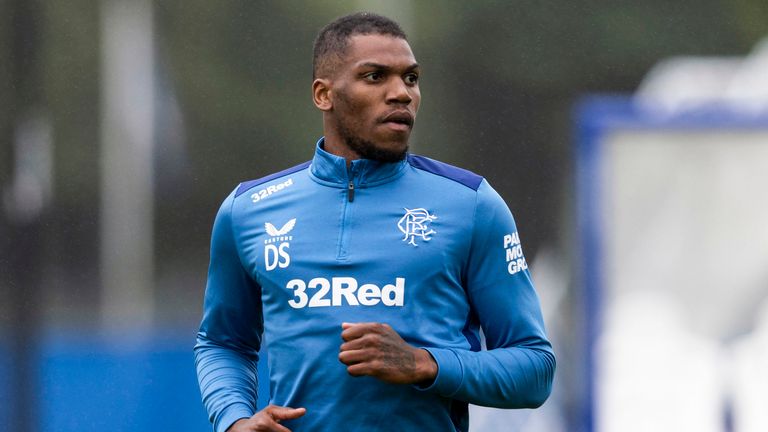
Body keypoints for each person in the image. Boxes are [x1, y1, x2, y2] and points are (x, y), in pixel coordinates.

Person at [195, 12, 555, 432]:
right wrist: (234, 419)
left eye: (411, 78)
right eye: (375, 76)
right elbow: (222, 343)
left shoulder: (472, 205)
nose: (401, 93)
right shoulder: (248, 210)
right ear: (323, 94)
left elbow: (535, 369)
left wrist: (424, 363)